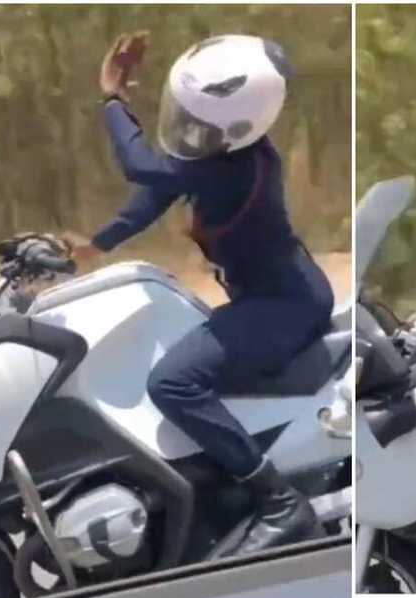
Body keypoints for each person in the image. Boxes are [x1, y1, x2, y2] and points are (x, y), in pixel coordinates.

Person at [71, 32, 334, 558]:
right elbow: (153, 196)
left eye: (200, 120)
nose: (187, 128)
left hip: (283, 307)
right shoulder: (222, 150)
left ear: (241, 124)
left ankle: (279, 501)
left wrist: (112, 99)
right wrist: (94, 247)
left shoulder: (236, 169)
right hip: (264, 296)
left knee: (174, 383)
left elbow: (142, 168)